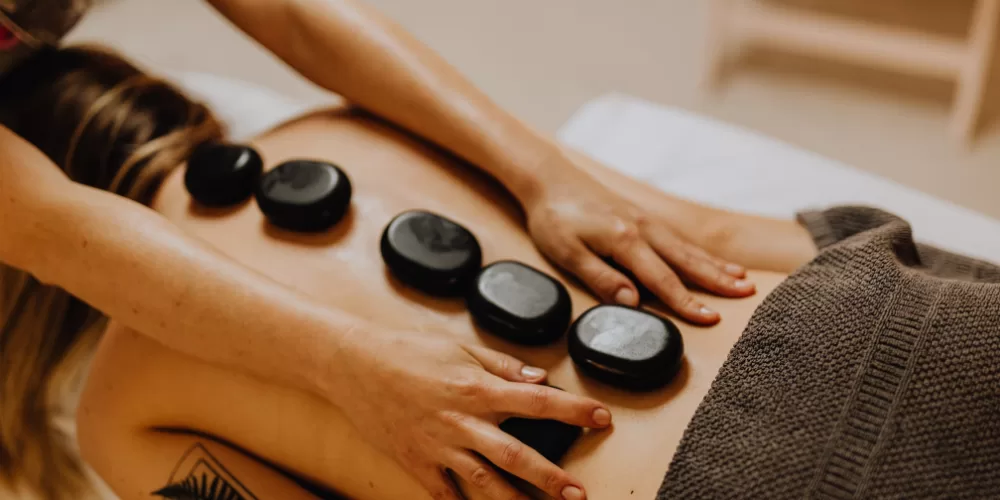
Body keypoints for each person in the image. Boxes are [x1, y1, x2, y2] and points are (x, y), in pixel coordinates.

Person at [0, 1, 756, 499]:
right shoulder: (358, 127)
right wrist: (350, 362)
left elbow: (289, 13)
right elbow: (46, 223)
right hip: (850, 312)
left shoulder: (120, 411)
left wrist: (546, 177)